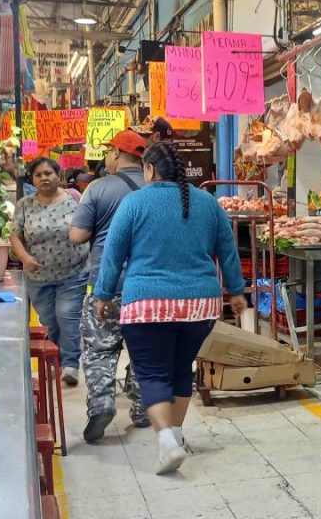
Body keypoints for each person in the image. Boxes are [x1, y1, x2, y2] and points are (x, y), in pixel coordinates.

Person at [93, 142, 247, 474]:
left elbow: (113, 253)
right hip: (200, 306)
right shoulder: (207, 203)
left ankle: (165, 442)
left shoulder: (134, 203)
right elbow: (228, 250)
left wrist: (102, 294)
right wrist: (236, 291)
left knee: (151, 373)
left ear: (149, 169)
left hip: (147, 303)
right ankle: (176, 435)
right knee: (181, 368)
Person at [69, 130, 150, 441]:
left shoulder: (98, 188)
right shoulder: (156, 188)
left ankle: (102, 403)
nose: (105, 158)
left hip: (106, 284)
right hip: (147, 286)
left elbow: (77, 236)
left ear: (117, 153)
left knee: (100, 348)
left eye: (107, 152)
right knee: (144, 349)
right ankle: (144, 408)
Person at [11, 156, 89, 385]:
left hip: (73, 272)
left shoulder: (75, 199)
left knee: (67, 316)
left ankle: (71, 365)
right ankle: (57, 361)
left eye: (48, 173)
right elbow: (15, 235)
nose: (44, 178)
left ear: (59, 176)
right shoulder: (24, 205)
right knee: (49, 321)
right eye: (39, 174)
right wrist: (25, 258)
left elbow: (88, 226)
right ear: (32, 179)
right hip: (38, 276)